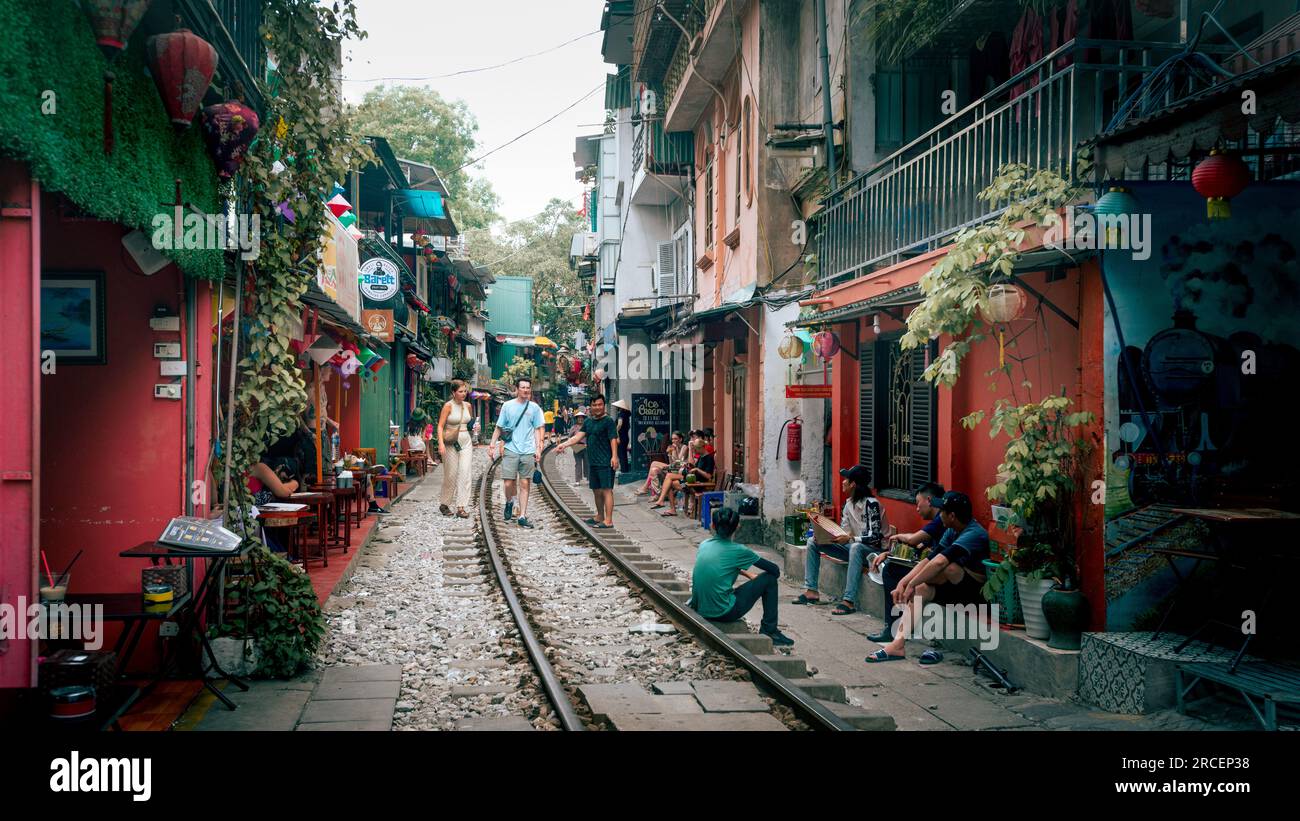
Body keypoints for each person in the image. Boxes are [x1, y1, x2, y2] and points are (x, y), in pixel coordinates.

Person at [866, 491, 990, 663]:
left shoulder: (975, 533)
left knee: (950, 568)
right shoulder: (952, 530)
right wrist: (904, 583)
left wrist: (911, 584)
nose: (939, 515)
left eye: (942, 512)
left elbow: (939, 563)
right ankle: (897, 645)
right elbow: (928, 559)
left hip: (976, 596)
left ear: (952, 516)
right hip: (955, 590)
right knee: (921, 589)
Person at [688, 506, 794, 646]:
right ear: (738, 526)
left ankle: (770, 630)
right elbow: (774, 570)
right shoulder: (739, 550)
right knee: (769, 579)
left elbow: (721, 565)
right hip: (723, 612)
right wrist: (750, 571)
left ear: (712, 525)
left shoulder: (704, 545)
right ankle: (770, 630)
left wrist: (748, 573)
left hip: (700, 607)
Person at [793, 465, 888, 615]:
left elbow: (876, 538)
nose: (843, 482)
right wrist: (826, 535)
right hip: (853, 549)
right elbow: (844, 532)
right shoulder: (849, 504)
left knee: (856, 547)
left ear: (853, 484)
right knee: (813, 542)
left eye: (846, 480)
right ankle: (811, 591)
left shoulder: (872, 504)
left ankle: (848, 601)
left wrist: (850, 538)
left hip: (873, 554)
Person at [866, 482, 947, 641]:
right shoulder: (940, 521)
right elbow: (919, 547)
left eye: (918, 503)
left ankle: (892, 627)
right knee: (894, 567)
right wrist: (889, 553)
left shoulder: (940, 520)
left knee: (890, 570)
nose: (917, 509)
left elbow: (914, 539)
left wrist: (898, 537)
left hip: (942, 574)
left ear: (929, 500)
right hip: (934, 567)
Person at [488, 377, 546, 528]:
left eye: (528, 387)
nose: (526, 390)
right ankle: (509, 502)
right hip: (511, 448)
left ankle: (522, 515)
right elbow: (499, 427)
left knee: (525, 482)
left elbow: (537, 429)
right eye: (523, 387)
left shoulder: (534, 408)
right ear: (517, 389)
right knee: (508, 483)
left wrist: (538, 448)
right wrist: (492, 445)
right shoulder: (507, 406)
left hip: (527, 450)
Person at [556, 395, 619, 529]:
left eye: (600, 404)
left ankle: (608, 520)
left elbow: (613, 439)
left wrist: (614, 456)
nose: (597, 407)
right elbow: (577, 437)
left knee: (607, 490)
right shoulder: (588, 422)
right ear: (591, 407)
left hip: (606, 461)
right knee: (596, 490)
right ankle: (599, 516)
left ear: (603, 405)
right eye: (595, 405)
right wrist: (564, 444)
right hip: (593, 461)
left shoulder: (608, 421)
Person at [437, 379, 474, 518]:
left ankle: (461, 506)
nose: (463, 394)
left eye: (465, 391)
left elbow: (469, 423)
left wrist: (474, 428)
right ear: (453, 392)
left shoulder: (468, 406)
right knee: (451, 474)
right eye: (460, 391)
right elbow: (440, 426)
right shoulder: (448, 406)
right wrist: (440, 443)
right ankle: (445, 503)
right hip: (450, 443)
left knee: (465, 473)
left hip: (466, 442)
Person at [652, 437, 713, 516]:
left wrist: (697, 469)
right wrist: (689, 466)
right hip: (688, 483)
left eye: (695, 449)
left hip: (696, 486)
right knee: (668, 482)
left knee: (669, 477)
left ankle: (662, 501)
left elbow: (708, 476)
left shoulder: (709, 458)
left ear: (701, 448)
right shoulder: (701, 456)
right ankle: (670, 508)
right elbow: (693, 467)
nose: (695, 451)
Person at [637, 431, 688, 496]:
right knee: (654, 469)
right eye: (672, 439)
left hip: (681, 470)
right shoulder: (674, 447)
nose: (673, 441)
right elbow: (672, 463)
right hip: (675, 468)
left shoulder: (684, 447)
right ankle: (657, 493)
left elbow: (679, 462)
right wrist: (669, 454)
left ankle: (645, 487)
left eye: (675, 439)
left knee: (654, 463)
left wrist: (674, 450)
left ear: (680, 439)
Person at [569, 407, 589, 484]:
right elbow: (570, 437)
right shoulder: (573, 427)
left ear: (584, 419)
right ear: (576, 419)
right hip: (577, 447)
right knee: (578, 464)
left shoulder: (586, 426)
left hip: (586, 447)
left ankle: (588, 478)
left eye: (582, 418)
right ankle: (578, 480)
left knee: (587, 463)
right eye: (579, 418)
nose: (580, 419)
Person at [612, 398, 632, 473]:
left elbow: (620, 424)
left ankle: (623, 470)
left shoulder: (621, 414)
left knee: (621, 453)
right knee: (624, 453)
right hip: (626, 436)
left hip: (621, 436)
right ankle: (625, 469)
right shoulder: (627, 415)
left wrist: (616, 431)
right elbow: (628, 427)